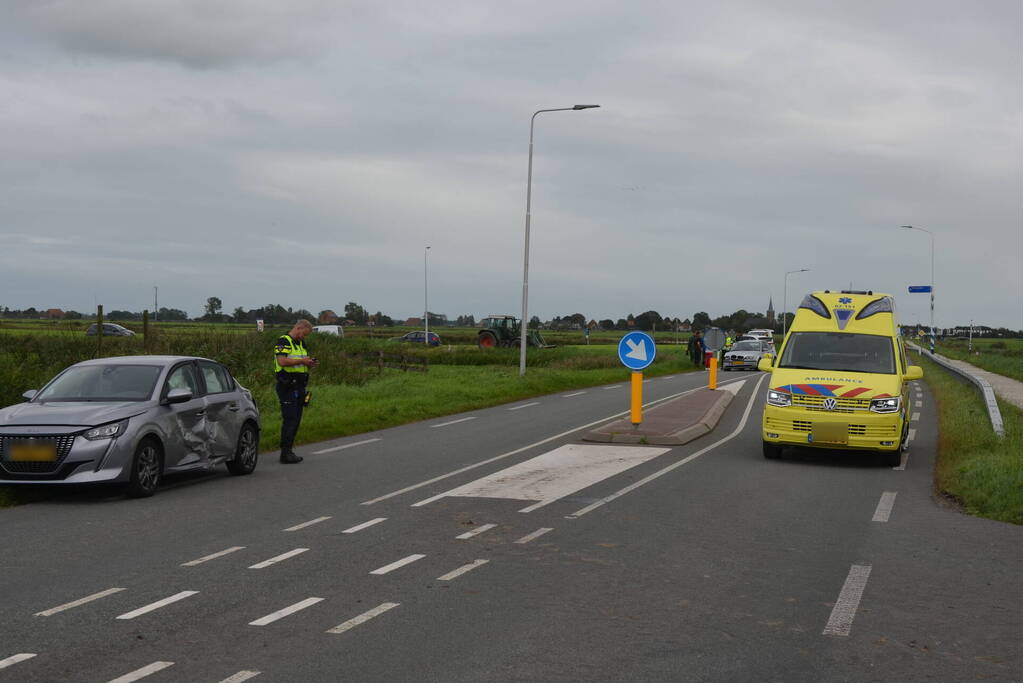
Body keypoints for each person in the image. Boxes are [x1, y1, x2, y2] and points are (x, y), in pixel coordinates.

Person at [274, 319, 318, 464]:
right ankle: (285, 453)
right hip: (287, 386)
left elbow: (301, 361)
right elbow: (282, 361)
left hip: (299, 387)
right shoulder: (284, 341)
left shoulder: (301, 343)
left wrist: (309, 363)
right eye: (303, 334)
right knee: (290, 419)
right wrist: (302, 361)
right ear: (298, 328)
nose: (303, 337)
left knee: (296, 420)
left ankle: (289, 450)